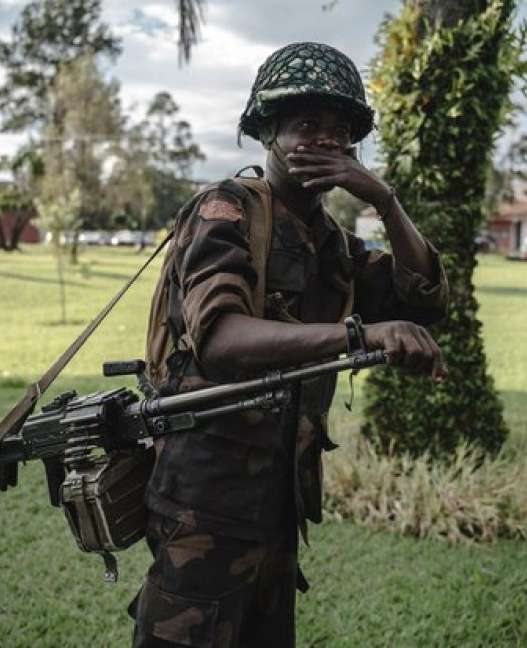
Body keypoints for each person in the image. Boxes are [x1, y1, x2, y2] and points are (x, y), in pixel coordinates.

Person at [131, 41, 448, 647]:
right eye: (307, 123)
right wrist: (360, 334)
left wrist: (384, 200)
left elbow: (423, 301)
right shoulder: (224, 210)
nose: (326, 140)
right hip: (205, 497)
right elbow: (220, 337)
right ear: (268, 131)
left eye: (341, 130)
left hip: (279, 502)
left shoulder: (331, 242)